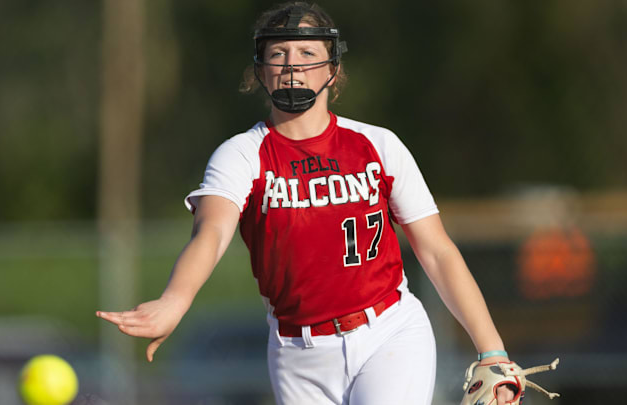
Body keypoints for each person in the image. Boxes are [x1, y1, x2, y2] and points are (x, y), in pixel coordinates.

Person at [97, 2, 517, 404]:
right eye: (278, 53)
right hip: (297, 352)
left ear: (333, 70)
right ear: (260, 70)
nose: (293, 65)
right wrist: (175, 300)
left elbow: (437, 251)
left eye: (307, 52)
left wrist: (492, 350)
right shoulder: (242, 154)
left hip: (388, 331)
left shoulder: (378, 144)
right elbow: (211, 232)